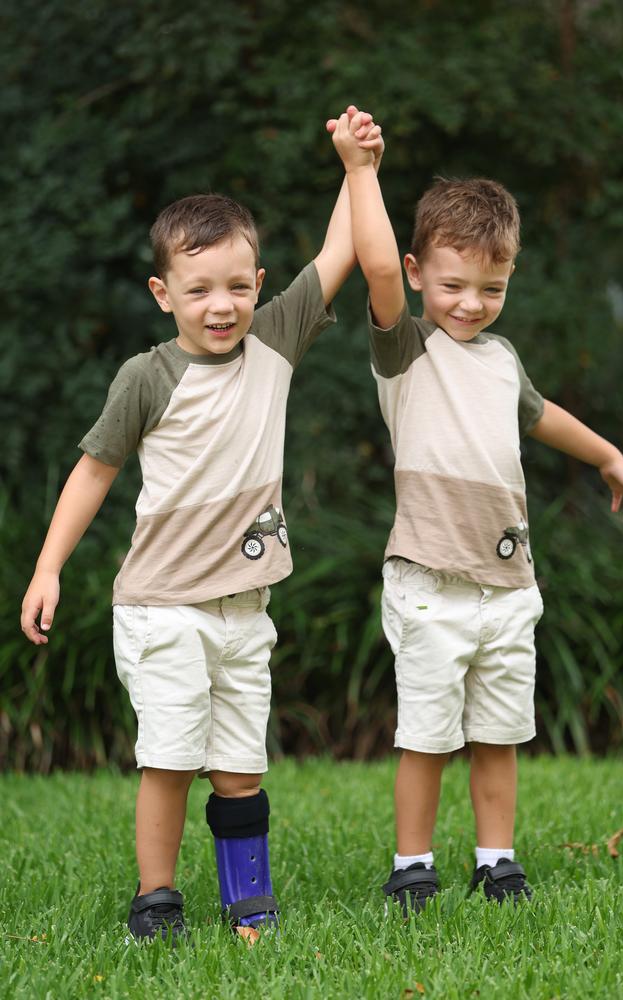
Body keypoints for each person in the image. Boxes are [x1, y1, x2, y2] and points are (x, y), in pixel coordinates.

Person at [20, 107, 384, 944]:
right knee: (171, 760)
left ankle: (247, 903)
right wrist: (48, 569)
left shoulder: (278, 340)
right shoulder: (146, 378)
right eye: (198, 289)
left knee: (240, 768)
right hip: (163, 609)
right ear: (163, 295)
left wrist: (354, 164)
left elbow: (339, 256)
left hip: (245, 611)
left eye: (237, 286)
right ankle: (157, 900)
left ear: (259, 284)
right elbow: (95, 471)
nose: (221, 306)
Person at [327, 109, 623, 909]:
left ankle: (496, 860)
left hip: (508, 589)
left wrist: (609, 454)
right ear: (415, 273)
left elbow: (540, 416)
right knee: (427, 738)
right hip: (430, 584)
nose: (471, 303)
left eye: (492, 288)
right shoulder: (406, 349)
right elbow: (369, 266)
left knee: (499, 734)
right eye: (453, 284)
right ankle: (412, 867)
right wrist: (361, 171)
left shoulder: (502, 360)